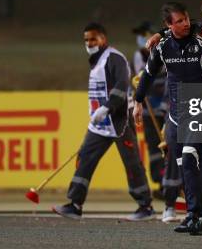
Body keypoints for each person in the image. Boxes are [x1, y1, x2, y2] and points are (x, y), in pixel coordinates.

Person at [53, 23, 154, 221]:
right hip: (99, 124)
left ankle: (145, 206)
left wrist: (107, 107)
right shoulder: (96, 61)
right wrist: (98, 113)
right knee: (84, 159)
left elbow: (122, 84)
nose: (89, 43)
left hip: (119, 120)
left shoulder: (114, 58)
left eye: (93, 39)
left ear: (103, 39)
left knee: (132, 162)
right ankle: (75, 204)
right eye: (86, 40)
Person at [133, 2, 202, 234]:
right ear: (169, 23)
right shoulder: (162, 48)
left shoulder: (200, 39)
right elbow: (147, 75)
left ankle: (193, 213)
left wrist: (161, 31)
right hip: (177, 114)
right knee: (186, 166)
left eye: (186, 19)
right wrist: (138, 102)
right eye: (178, 21)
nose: (186, 23)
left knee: (189, 160)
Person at [131, 21, 169, 206]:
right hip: (148, 111)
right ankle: (161, 183)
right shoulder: (139, 55)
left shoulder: (165, 51)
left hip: (166, 109)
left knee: (169, 147)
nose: (141, 38)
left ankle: (173, 184)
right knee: (154, 149)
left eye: (144, 34)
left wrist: (164, 105)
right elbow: (139, 79)